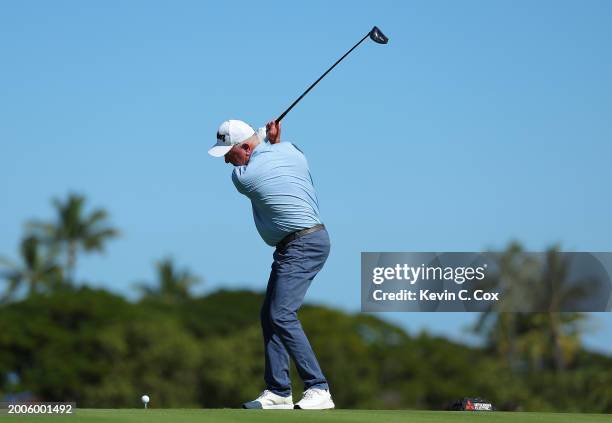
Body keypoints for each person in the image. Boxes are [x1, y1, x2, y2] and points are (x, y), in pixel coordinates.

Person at [208, 119, 334, 410]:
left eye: (229, 153)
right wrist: (272, 141)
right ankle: (278, 391)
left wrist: (264, 139)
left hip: (303, 244)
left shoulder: (243, 177)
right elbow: (275, 156)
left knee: (282, 314)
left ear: (245, 147)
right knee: (270, 314)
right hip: (302, 242)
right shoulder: (292, 151)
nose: (227, 160)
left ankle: (319, 388)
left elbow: (252, 167)